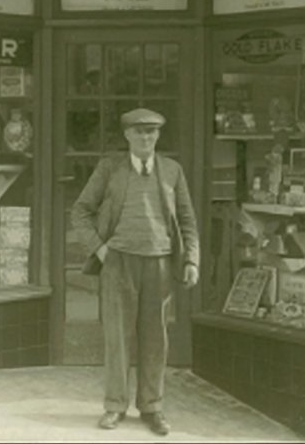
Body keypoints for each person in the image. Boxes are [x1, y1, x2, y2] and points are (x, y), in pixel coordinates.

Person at [70, 108, 199, 436]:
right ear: (126, 135)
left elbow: (187, 220)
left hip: (159, 263)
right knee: (117, 337)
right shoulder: (109, 168)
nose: (146, 138)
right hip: (119, 263)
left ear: (158, 135)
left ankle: (152, 407)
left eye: (152, 132)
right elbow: (81, 211)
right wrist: (100, 248)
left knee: (156, 338)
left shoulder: (172, 170)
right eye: (139, 132)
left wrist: (192, 260)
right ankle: (115, 406)